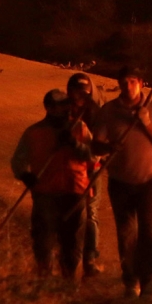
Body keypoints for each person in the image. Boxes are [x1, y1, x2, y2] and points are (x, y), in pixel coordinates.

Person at [91, 66, 152, 298]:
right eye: (124, 82)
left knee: (148, 231)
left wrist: (146, 123)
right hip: (120, 182)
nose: (128, 86)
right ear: (118, 84)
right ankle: (131, 279)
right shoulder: (109, 111)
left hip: (149, 181)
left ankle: (149, 278)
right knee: (126, 233)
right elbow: (95, 146)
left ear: (141, 83)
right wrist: (109, 147)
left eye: (132, 81)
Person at [10, 89, 93, 280]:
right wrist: (25, 175)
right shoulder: (34, 132)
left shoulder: (79, 128)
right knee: (43, 242)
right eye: (59, 106)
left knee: (72, 243)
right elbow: (18, 161)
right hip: (45, 194)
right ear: (48, 108)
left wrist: (74, 144)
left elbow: (93, 156)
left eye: (66, 105)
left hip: (75, 192)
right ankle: (45, 283)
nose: (65, 109)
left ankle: (69, 284)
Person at [67, 72, 105, 277]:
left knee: (91, 213)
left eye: (84, 92)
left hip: (93, 168)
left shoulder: (97, 111)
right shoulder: (64, 111)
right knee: (71, 211)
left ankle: (89, 258)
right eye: (76, 92)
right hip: (70, 169)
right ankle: (69, 256)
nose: (80, 96)